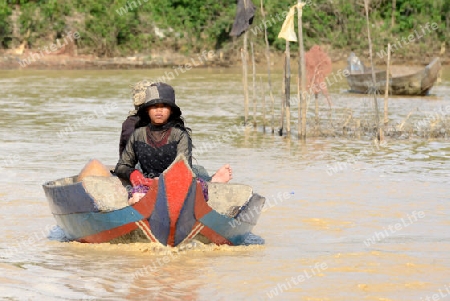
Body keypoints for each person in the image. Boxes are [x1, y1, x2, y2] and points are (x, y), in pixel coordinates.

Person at [114, 81, 232, 204]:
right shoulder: (138, 134)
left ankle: (209, 184)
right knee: (137, 196)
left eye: (164, 106)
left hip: (177, 184)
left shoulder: (179, 135)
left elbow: (184, 169)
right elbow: (122, 166)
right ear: (147, 110)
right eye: (154, 106)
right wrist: (134, 174)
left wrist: (162, 183)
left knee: (196, 186)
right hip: (148, 183)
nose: (159, 110)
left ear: (171, 111)